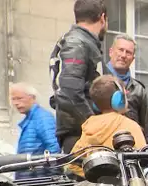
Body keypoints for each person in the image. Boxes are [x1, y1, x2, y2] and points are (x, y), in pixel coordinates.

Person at [50, 0, 108, 154]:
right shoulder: (76, 43)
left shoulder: (79, 42)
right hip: (80, 136)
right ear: (102, 18)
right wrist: (94, 124)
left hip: (82, 133)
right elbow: (68, 92)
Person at [67, 75, 146, 178]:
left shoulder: (89, 127)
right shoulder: (130, 126)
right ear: (119, 99)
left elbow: (73, 165)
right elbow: (143, 160)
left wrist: (96, 179)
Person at [106, 33, 148, 144]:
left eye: (128, 52)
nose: (123, 55)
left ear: (133, 58)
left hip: (131, 150)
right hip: (104, 148)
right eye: (120, 50)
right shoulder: (98, 82)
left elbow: (146, 128)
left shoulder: (138, 89)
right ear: (111, 52)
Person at [10, 83, 61, 179]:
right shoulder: (31, 119)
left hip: (39, 181)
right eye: (13, 99)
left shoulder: (42, 117)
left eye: (20, 98)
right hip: (30, 180)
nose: (16, 103)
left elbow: (53, 148)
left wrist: (52, 179)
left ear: (32, 98)